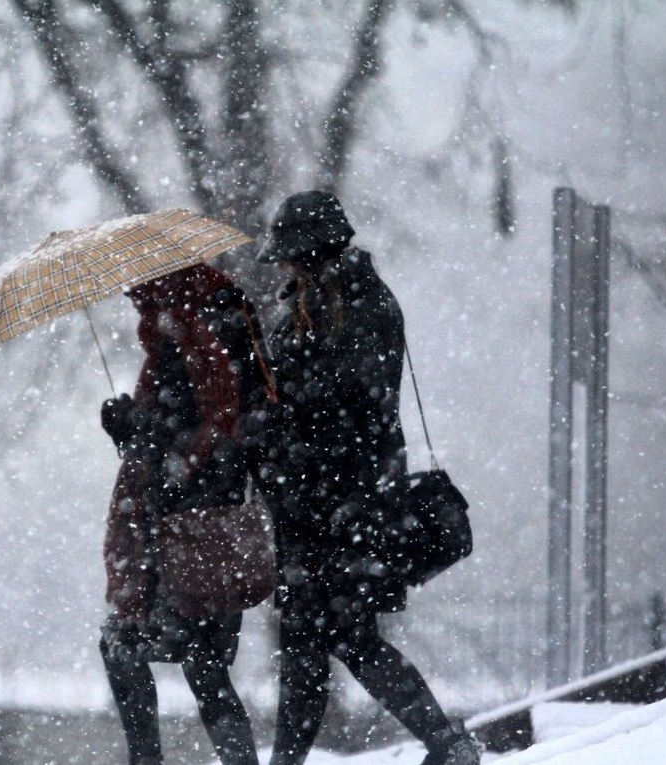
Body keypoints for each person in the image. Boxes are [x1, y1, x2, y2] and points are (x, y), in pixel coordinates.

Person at [252, 191, 481, 765]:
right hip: (310, 509)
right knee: (310, 645)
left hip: (347, 507)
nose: (281, 266)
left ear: (310, 253)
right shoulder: (308, 309)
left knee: (344, 639)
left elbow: (359, 407)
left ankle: (448, 743)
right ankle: (443, 743)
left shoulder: (365, 307)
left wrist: (284, 413)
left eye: (289, 256)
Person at [98, 263, 273, 765]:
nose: (134, 302)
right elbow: (191, 430)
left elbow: (208, 436)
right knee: (203, 668)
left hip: (189, 535)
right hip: (202, 532)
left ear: (163, 287)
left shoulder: (195, 337)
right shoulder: (193, 333)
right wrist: (129, 428)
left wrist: (145, 434)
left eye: (140, 292)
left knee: (131, 648)